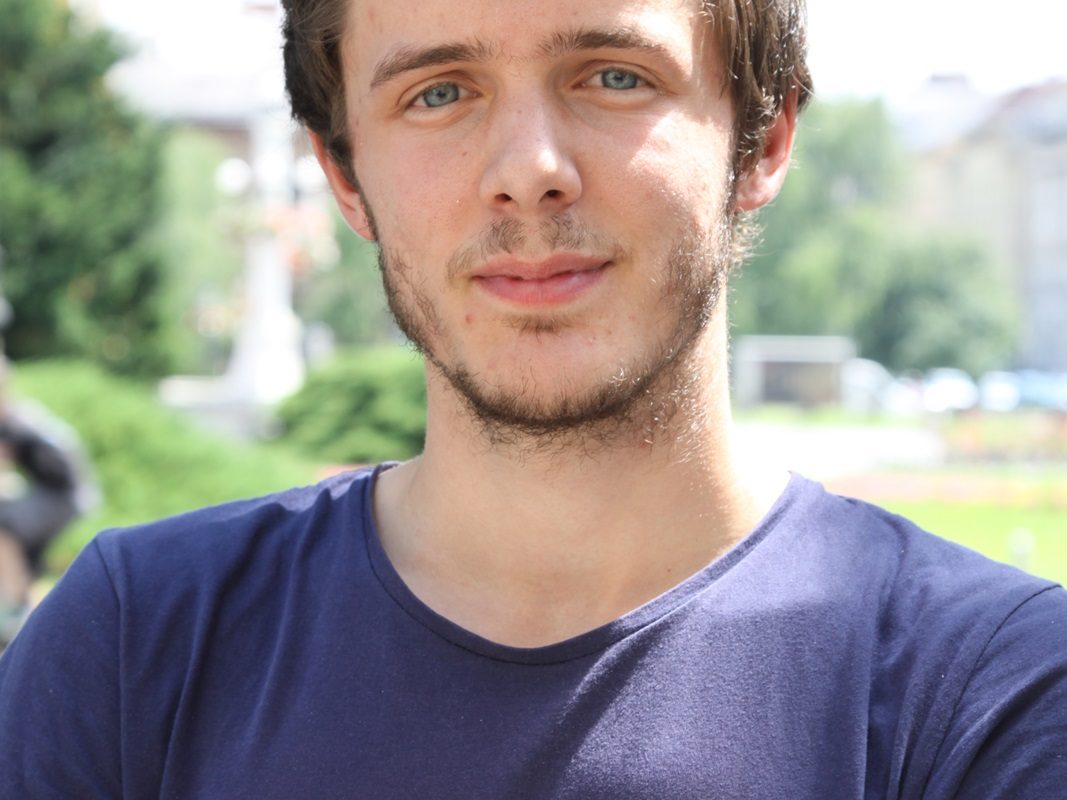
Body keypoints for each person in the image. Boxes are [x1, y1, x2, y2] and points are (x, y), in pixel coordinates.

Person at [1, 0, 1065, 796]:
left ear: (764, 136)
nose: (528, 170)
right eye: (437, 92)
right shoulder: (133, 651)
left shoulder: (991, 694)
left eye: (613, 77)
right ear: (344, 174)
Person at [0, 359, 95, 647]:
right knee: (21, 541)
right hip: (65, 492)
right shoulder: (23, 412)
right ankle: (27, 606)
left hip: (64, 496)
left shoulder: (11, 422)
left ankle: (14, 613)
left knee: (4, 527)